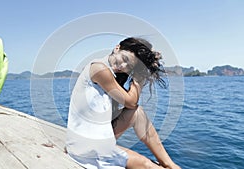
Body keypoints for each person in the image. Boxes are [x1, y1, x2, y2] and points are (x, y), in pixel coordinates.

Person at [66, 37, 181, 169]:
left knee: (137, 113)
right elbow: (130, 102)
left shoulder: (110, 73)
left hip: (92, 139)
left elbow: (130, 107)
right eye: (125, 59)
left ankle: (170, 164)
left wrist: (147, 60)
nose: (123, 67)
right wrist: (139, 77)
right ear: (117, 48)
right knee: (146, 165)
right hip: (86, 148)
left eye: (129, 66)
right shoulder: (99, 69)